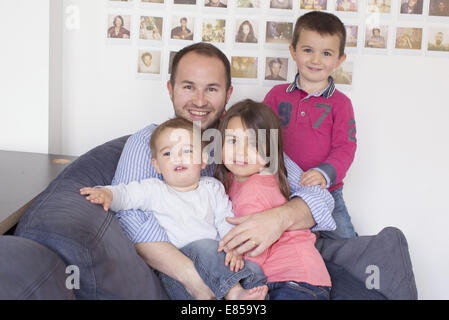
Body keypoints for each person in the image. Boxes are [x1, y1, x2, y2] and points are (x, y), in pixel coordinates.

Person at [110, 42, 336, 299]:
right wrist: (192, 276)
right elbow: (130, 219)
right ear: (171, 89)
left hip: (258, 275)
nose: (199, 100)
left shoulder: (243, 140)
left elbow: (319, 197)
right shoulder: (146, 143)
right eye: (188, 87)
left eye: (212, 89)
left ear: (228, 94)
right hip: (193, 274)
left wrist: (278, 219)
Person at [80, 117, 268, 300]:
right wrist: (107, 194)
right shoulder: (153, 189)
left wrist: (232, 249)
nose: (177, 158)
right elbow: (126, 195)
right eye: (168, 153)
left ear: (203, 161)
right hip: (180, 274)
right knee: (206, 246)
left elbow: (224, 219)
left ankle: (250, 294)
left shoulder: (212, 187)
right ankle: (234, 293)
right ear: (157, 165)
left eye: (186, 151)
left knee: (252, 269)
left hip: (217, 264)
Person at [215, 100, 332, 300]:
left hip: (294, 281)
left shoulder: (255, 188)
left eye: (252, 144)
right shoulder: (235, 181)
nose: (241, 152)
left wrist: (234, 273)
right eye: (233, 141)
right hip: (299, 279)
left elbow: (253, 248)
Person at [263, 11, 358, 240]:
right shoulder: (276, 96)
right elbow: (260, 135)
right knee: (284, 244)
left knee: (347, 246)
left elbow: (345, 148)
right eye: (308, 50)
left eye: (326, 53)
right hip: (281, 191)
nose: (316, 60)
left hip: (328, 193)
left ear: (339, 60)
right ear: (293, 52)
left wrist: (325, 173)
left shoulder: (341, 104)